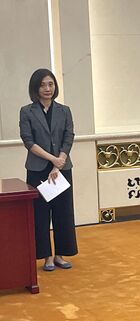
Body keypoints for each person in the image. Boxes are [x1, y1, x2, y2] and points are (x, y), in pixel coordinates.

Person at [19, 68, 78, 272]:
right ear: (35, 87)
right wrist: (52, 159)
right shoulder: (27, 111)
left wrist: (59, 162)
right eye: (43, 84)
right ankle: (46, 257)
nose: (47, 88)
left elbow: (68, 136)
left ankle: (60, 255)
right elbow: (28, 141)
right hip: (38, 170)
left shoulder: (64, 110)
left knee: (63, 212)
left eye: (50, 84)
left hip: (61, 168)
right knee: (40, 214)